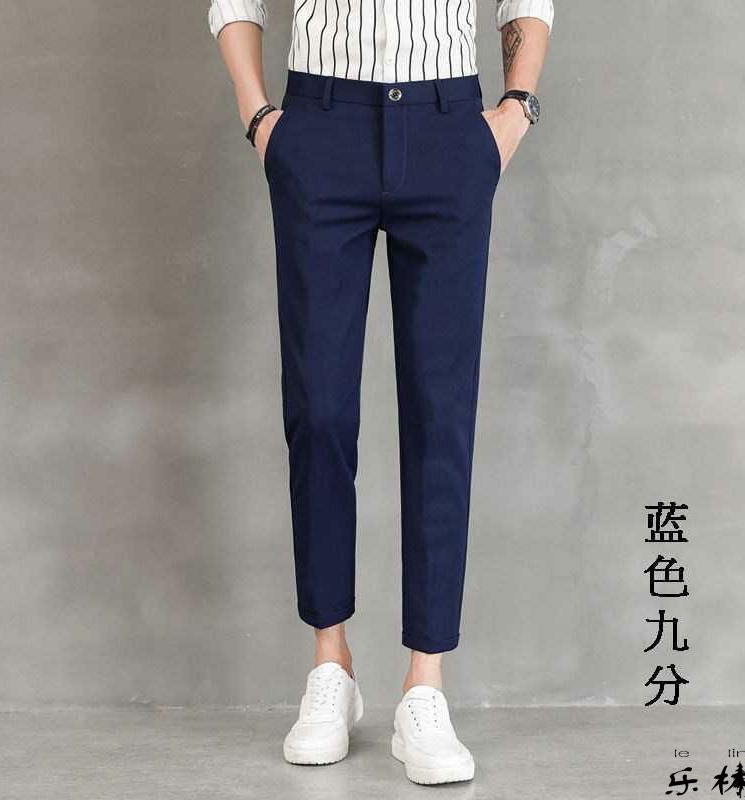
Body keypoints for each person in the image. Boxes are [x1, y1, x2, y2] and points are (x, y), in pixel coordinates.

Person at [209, 0, 552, 785]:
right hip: (320, 124)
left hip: (447, 125)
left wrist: (515, 110)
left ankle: (424, 685)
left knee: (440, 412)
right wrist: (260, 117)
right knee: (319, 408)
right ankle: (330, 664)